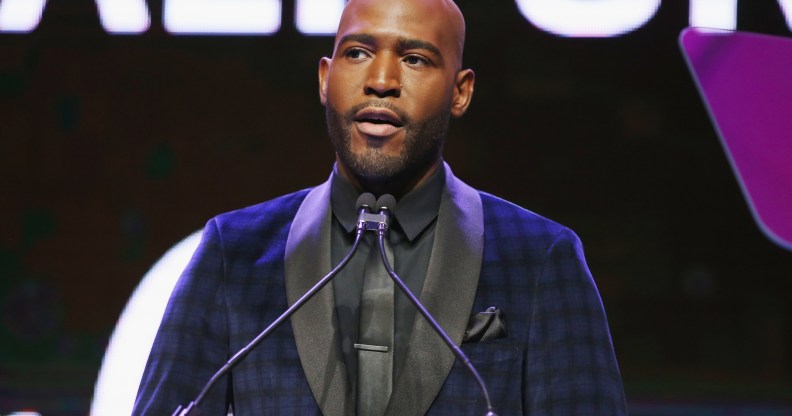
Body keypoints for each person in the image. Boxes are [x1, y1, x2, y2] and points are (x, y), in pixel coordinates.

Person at [133, 0, 627, 414]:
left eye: (415, 59)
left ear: (461, 91)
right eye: (358, 52)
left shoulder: (540, 258)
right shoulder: (234, 253)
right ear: (326, 79)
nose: (382, 80)